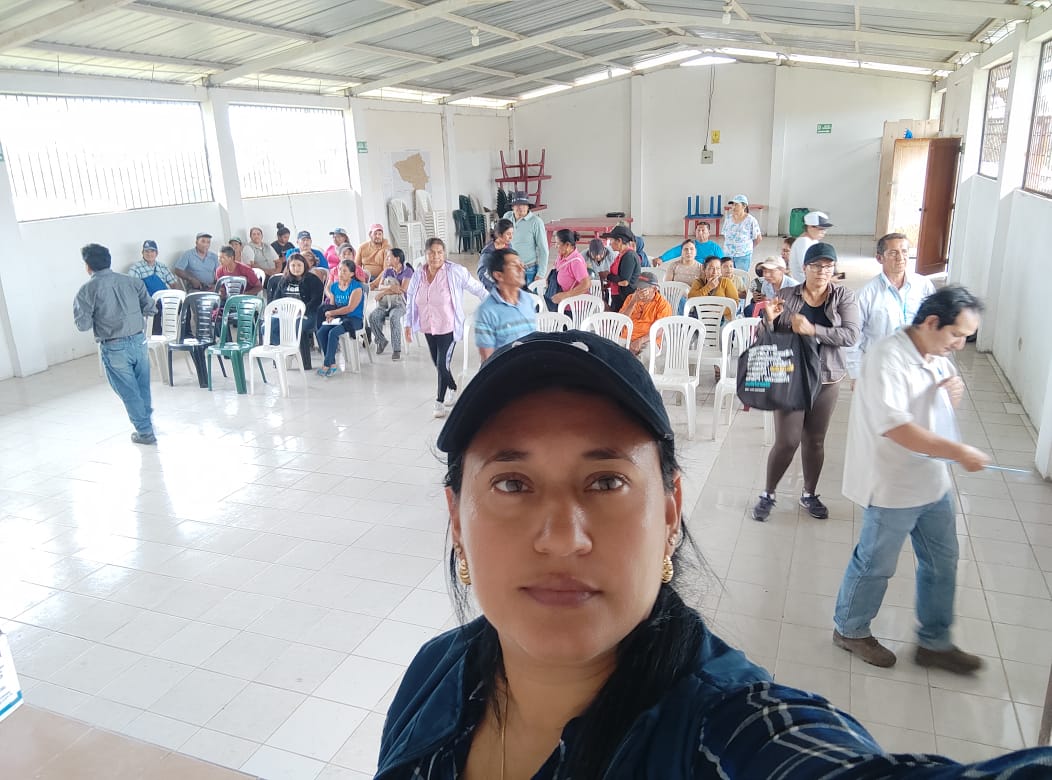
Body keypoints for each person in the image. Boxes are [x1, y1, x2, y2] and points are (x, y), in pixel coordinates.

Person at [376, 328, 1052, 779]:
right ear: (456, 518)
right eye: (511, 483)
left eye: (606, 482)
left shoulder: (728, 734)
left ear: (670, 511)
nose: (562, 537)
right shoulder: (436, 673)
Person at [834, 286, 990, 674]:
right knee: (876, 563)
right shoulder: (887, 358)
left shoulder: (938, 355)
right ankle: (850, 630)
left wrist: (952, 395)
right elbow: (897, 428)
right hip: (892, 482)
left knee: (942, 563)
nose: (960, 344)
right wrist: (960, 452)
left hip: (932, 481)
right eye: (957, 334)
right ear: (932, 322)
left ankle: (934, 642)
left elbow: (937, 408)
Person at [753, 242, 860, 522]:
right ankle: (768, 493)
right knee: (787, 441)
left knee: (815, 440)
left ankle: (809, 494)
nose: (822, 271)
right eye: (816, 266)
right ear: (804, 268)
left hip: (827, 378)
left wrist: (813, 329)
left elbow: (851, 335)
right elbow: (765, 335)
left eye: (828, 266)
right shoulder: (787, 295)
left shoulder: (843, 297)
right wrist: (769, 321)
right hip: (792, 376)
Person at [74, 243, 157, 445]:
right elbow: (151, 308)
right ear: (109, 261)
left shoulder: (87, 290)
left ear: (88, 266)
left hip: (114, 346)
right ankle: (146, 421)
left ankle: (145, 431)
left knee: (128, 391)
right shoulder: (132, 281)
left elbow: (83, 325)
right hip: (139, 341)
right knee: (142, 386)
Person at [404, 237, 486, 418]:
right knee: (438, 363)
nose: (436, 256)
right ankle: (453, 387)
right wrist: (408, 323)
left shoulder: (455, 272)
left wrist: (493, 303)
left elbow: (477, 288)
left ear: (444, 253)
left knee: (442, 364)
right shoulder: (418, 274)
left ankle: (439, 402)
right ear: (425, 254)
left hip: (448, 326)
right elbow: (410, 299)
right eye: (431, 253)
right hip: (428, 326)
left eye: (440, 252)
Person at [847, 233, 935, 379]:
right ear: (879, 258)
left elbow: (935, 324)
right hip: (881, 368)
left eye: (904, 251)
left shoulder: (923, 286)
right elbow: (853, 337)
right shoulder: (866, 294)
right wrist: (856, 374)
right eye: (893, 253)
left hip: (918, 365)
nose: (900, 257)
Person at [475, 248, 537, 362]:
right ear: (499, 275)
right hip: (506, 369)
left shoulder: (528, 299)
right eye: (514, 266)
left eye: (521, 264)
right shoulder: (487, 311)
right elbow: (488, 360)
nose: (521, 269)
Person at [271, 253, 323, 370]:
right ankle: (284, 353)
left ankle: (304, 362)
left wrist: (301, 310)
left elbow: (316, 300)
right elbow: (277, 298)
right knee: (269, 326)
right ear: (288, 267)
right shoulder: (284, 280)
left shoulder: (312, 279)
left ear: (304, 265)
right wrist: (275, 308)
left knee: (298, 327)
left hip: (308, 313)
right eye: (293, 265)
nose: (296, 268)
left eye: (299, 265)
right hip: (286, 314)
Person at [315, 260, 366, 377]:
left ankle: (326, 364)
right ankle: (332, 364)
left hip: (354, 319)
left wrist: (332, 312)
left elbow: (350, 308)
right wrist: (331, 316)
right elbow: (332, 305)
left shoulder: (356, 288)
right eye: (339, 270)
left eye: (344, 271)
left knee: (333, 332)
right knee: (321, 332)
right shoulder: (334, 286)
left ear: (352, 274)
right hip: (339, 317)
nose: (340, 273)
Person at [369, 248, 413, 361]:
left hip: (400, 304)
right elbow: (380, 286)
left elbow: (402, 290)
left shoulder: (408, 271)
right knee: (373, 316)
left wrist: (384, 292)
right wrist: (391, 287)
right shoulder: (387, 271)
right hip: (385, 303)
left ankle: (396, 350)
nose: (387, 259)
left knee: (394, 317)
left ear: (397, 259)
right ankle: (381, 341)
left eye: (389, 257)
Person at [619, 271, 672, 357]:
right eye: (638, 287)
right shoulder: (631, 298)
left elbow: (659, 330)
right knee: (612, 353)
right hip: (626, 337)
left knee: (645, 356)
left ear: (654, 289)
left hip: (649, 340)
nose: (639, 290)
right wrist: (633, 302)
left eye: (643, 288)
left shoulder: (663, 305)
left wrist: (640, 341)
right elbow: (621, 321)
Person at [502, 191, 548, 285]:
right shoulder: (507, 217)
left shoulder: (536, 222)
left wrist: (541, 273)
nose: (521, 208)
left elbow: (543, 249)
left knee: (530, 294)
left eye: (524, 205)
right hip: (510, 268)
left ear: (528, 207)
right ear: (512, 207)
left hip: (529, 270)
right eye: (517, 205)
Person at [603, 225, 640, 313]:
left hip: (624, 298)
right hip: (618, 295)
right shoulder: (621, 255)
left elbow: (624, 282)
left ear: (619, 241)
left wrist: (607, 276)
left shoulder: (629, 256)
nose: (610, 243)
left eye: (611, 240)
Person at [688, 256, 738, 320]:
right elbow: (690, 299)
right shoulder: (698, 282)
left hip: (722, 319)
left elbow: (735, 303)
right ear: (704, 269)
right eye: (711, 268)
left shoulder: (726, 282)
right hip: (700, 318)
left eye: (718, 268)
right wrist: (708, 287)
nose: (715, 272)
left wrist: (717, 312)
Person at [549, 229, 590, 307]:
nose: (555, 246)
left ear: (567, 245)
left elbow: (586, 284)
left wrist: (565, 295)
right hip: (563, 303)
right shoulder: (561, 255)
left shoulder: (576, 262)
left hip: (574, 307)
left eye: (558, 243)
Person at [789, 210, 833, 282]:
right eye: (821, 229)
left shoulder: (813, 240)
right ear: (810, 227)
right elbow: (807, 267)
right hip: (803, 283)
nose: (824, 232)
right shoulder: (803, 242)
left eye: (825, 229)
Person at [723, 194, 762, 271]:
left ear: (744, 206)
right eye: (732, 205)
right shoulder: (728, 218)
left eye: (736, 205)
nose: (733, 207)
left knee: (741, 276)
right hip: (728, 254)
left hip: (743, 255)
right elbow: (725, 235)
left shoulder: (751, 220)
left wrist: (747, 248)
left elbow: (758, 238)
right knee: (728, 275)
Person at [658, 220, 723, 264]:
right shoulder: (690, 245)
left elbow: (722, 262)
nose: (700, 232)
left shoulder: (715, 247)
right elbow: (674, 252)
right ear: (695, 232)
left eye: (703, 230)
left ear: (709, 233)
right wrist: (661, 259)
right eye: (698, 230)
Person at [477, 218, 514, 291]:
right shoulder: (488, 252)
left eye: (512, 233)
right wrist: (497, 287)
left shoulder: (508, 246)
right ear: (499, 234)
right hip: (494, 290)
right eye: (508, 234)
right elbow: (482, 274)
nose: (511, 237)